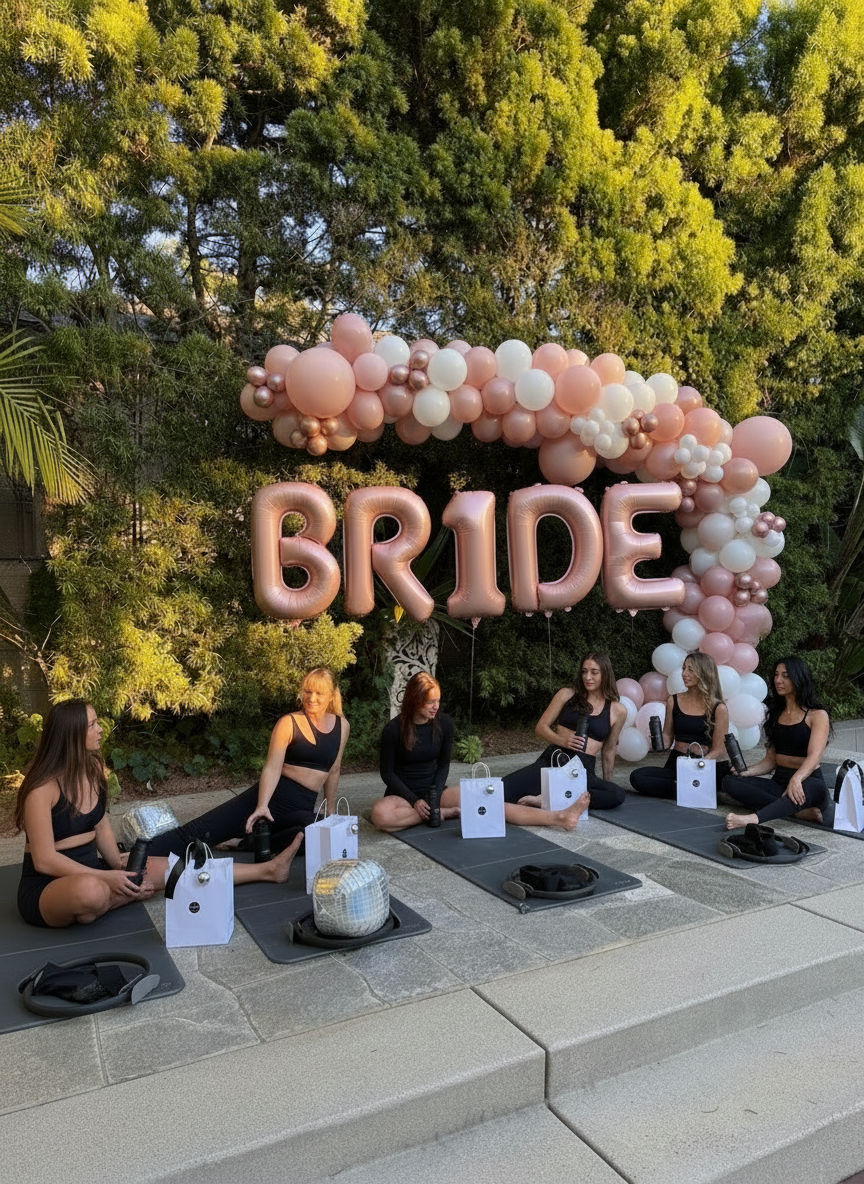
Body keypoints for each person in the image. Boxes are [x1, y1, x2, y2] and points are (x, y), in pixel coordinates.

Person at [16, 700, 301, 928]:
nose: (100, 728)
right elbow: (45, 860)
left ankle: (267, 870)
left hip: (95, 869)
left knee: (176, 868)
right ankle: (119, 896)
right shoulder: (41, 789)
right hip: (48, 887)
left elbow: (101, 826)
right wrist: (106, 878)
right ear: (73, 734)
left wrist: (118, 866)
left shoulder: (92, 772)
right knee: (91, 892)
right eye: (92, 724)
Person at [148, 667, 349, 856]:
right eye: (307, 691)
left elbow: (334, 769)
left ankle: (245, 842)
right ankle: (137, 853)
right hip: (274, 797)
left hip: (301, 808)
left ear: (331, 695)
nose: (311, 698)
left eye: (319, 693)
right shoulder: (289, 722)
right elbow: (272, 767)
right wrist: (262, 805)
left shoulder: (342, 726)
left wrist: (330, 810)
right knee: (200, 831)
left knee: (318, 837)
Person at [482, 652, 627, 831]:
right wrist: (562, 740)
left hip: (582, 771)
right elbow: (541, 727)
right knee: (499, 792)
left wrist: (607, 783)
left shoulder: (617, 710)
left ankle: (548, 799)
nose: (587, 677)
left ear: (605, 673)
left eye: (594, 672)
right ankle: (554, 798)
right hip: (553, 761)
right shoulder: (567, 694)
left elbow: (609, 750)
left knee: (616, 794)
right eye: (584, 671)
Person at [724, 656, 830, 829]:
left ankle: (752, 819)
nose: (778, 680)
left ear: (798, 678)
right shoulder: (775, 714)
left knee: (800, 791)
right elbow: (771, 761)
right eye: (776, 675)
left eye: (785, 676)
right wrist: (746, 772)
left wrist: (796, 779)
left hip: (809, 780)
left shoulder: (817, 715)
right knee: (730, 781)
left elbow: (815, 757)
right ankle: (797, 811)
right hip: (780, 781)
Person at [629, 651, 730, 798]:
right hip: (677, 762)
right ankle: (695, 789)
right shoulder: (673, 700)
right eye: (683, 668)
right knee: (637, 777)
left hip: (702, 764)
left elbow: (719, 749)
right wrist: (655, 739)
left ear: (704, 673)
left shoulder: (719, 708)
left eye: (690, 669)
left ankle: (689, 786)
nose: (684, 673)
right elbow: (667, 738)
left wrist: (698, 765)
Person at [369, 672, 460, 832]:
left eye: (438, 701)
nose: (436, 707)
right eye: (430, 702)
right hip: (403, 796)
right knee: (379, 815)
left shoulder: (445, 723)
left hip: (434, 793)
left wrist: (435, 796)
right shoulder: (393, 729)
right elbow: (387, 773)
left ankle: (422, 814)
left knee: (473, 798)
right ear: (415, 700)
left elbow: (444, 765)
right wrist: (415, 801)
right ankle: (439, 813)